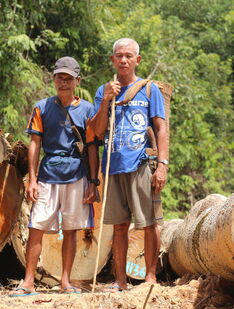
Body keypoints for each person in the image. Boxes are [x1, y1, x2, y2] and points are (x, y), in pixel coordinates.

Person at [8, 57, 99, 296]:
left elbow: (92, 148)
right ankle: (27, 281)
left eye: (69, 78)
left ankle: (66, 281)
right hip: (48, 173)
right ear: (54, 79)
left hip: (77, 174)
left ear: (77, 81)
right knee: (36, 225)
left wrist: (93, 181)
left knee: (71, 229)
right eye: (60, 77)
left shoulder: (88, 110)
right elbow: (34, 144)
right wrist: (33, 179)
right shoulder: (42, 107)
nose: (64, 82)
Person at [90, 38, 168, 292]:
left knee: (148, 222)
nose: (123, 60)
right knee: (119, 225)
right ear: (112, 60)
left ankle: (150, 277)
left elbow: (161, 128)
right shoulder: (104, 90)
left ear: (137, 60)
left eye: (128, 56)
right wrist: (105, 102)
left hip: (142, 164)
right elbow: (97, 132)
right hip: (113, 166)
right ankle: (120, 280)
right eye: (119, 56)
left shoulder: (148, 89)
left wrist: (162, 165)